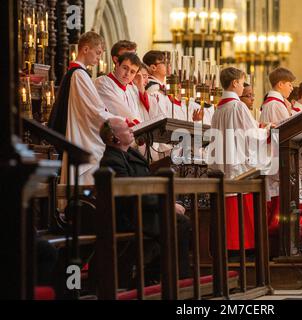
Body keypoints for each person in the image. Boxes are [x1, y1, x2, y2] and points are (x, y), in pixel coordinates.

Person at [99, 118, 191, 283]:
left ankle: (168, 277)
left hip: (145, 210)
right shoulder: (112, 161)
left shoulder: (132, 155)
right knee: (180, 224)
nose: (132, 130)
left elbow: (149, 184)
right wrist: (167, 205)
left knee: (182, 222)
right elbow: (131, 194)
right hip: (130, 215)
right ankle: (164, 277)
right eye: (127, 129)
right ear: (115, 138)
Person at [48, 31, 120, 185]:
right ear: (86, 49)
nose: (99, 57)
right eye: (98, 52)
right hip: (83, 139)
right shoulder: (79, 75)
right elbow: (94, 111)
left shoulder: (76, 73)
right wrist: (120, 122)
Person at [208, 67, 267, 252]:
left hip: (222, 163)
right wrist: (268, 131)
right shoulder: (237, 106)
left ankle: (231, 248)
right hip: (239, 165)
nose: (243, 87)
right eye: (242, 83)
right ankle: (243, 248)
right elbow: (252, 134)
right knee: (240, 209)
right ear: (234, 83)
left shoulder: (220, 108)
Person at [259, 67, 296, 233]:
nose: (292, 88)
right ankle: (278, 242)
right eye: (289, 84)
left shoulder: (276, 103)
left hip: (275, 156)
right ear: (280, 84)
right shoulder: (274, 104)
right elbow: (287, 131)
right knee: (276, 203)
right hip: (276, 157)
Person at [95, 52, 142, 121]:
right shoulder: (103, 82)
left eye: (132, 72)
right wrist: (137, 124)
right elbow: (119, 110)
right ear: (117, 65)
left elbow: (137, 114)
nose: (127, 74)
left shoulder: (131, 88)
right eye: (125, 68)